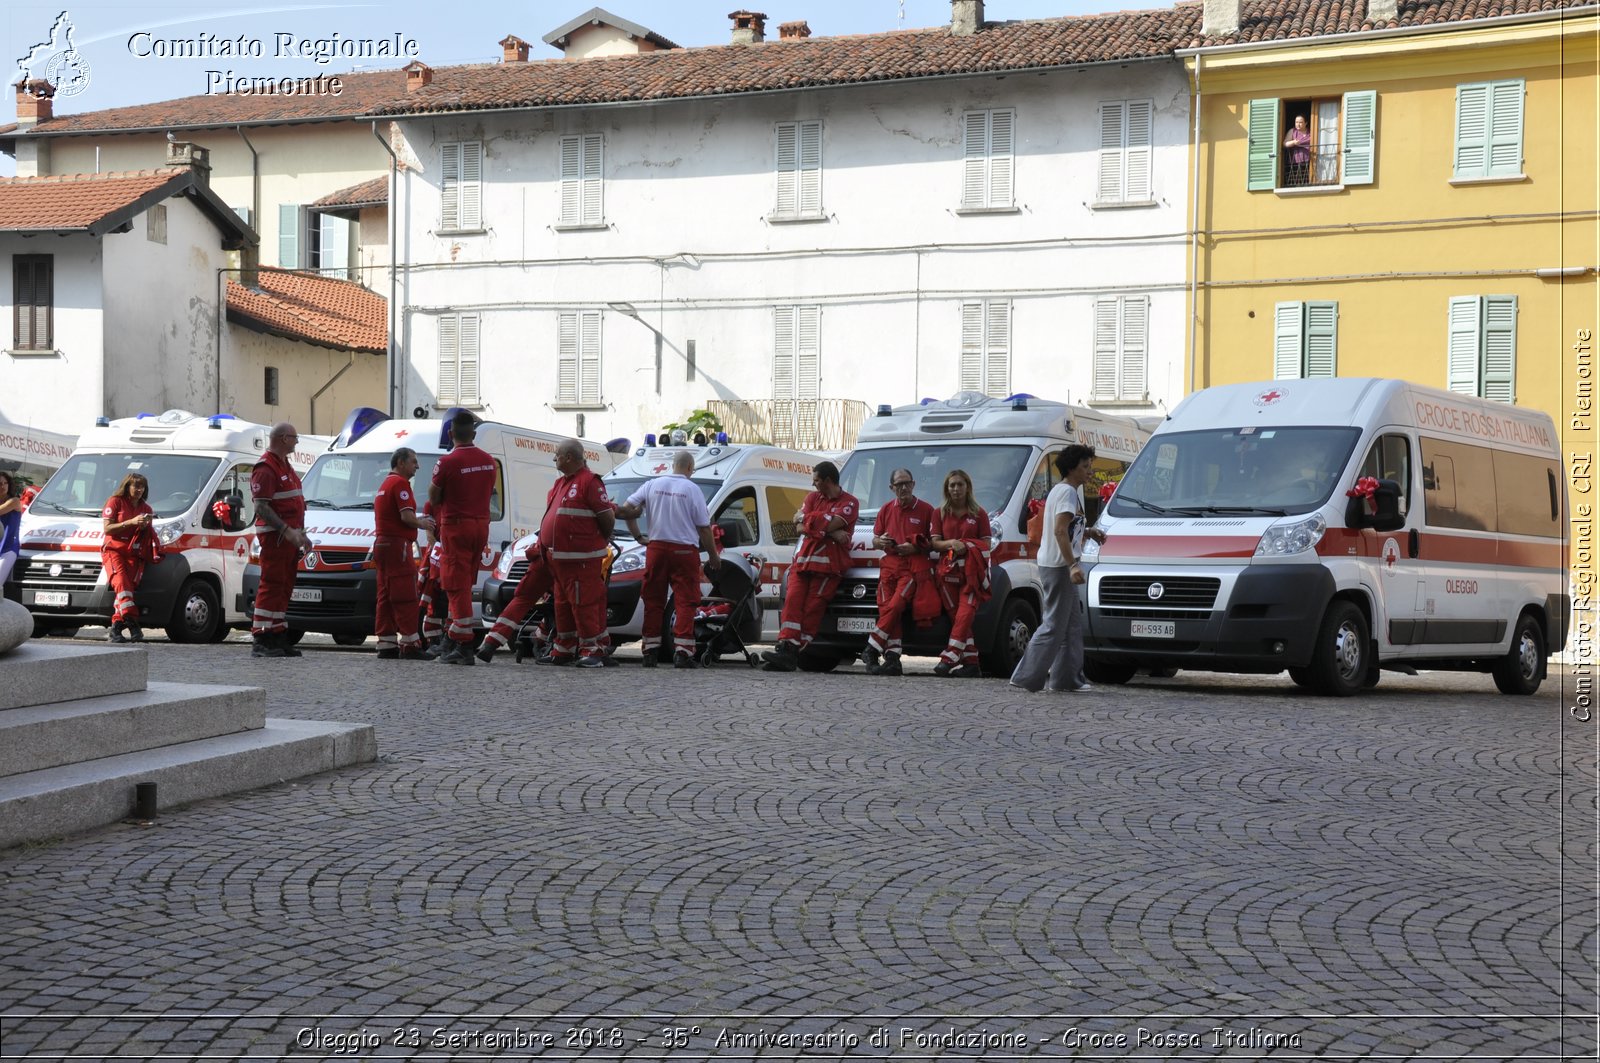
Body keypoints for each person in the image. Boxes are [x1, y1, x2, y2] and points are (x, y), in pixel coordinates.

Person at [1009, 445, 1105, 693]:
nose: (1089, 471)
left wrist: (1090, 532)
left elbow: (1066, 527)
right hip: (1060, 566)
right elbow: (1060, 530)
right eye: (1085, 466)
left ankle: (1066, 680)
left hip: (1057, 564)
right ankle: (1025, 676)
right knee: (1053, 625)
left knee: (1070, 626)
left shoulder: (1064, 491)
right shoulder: (1067, 493)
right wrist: (1072, 564)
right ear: (1072, 468)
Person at [613, 450, 721, 669]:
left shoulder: (652, 484)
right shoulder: (692, 489)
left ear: (674, 465)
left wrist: (638, 536)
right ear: (690, 468)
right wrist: (712, 555)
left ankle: (650, 651)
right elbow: (703, 528)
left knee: (653, 600)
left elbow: (627, 510)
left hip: (657, 549)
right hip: (684, 551)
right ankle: (683, 652)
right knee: (685, 601)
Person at [761, 461, 858, 672]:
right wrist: (826, 530)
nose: (813, 484)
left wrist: (808, 519)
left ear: (828, 481)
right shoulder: (812, 498)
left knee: (812, 609)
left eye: (816, 480)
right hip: (803, 562)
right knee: (792, 602)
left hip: (829, 568)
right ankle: (785, 646)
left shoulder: (850, 502)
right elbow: (798, 527)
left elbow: (824, 523)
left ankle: (793, 652)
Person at [538, 438, 617, 668]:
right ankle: (564, 648)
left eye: (558, 455)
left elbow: (607, 518)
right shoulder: (562, 482)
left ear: (569, 458)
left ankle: (592, 650)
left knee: (585, 604)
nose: (555, 458)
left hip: (581, 561)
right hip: (560, 561)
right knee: (562, 605)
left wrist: (596, 542)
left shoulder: (589, 482)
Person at [428, 412, 497, 665]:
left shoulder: (446, 462)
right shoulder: (489, 461)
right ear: (474, 434)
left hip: (456, 526)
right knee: (466, 583)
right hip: (481, 526)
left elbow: (434, 497)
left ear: (450, 434)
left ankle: (464, 644)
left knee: (455, 585)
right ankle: (454, 637)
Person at [859, 468, 937, 676]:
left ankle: (871, 647)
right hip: (888, 567)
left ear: (913, 484)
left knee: (895, 606)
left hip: (911, 569)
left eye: (907, 483)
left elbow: (934, 543)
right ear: (891, 488)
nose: (903, 488)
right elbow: (875, 539)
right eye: (899, 484)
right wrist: (880, 541)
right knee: (887, 611)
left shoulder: (927, 510)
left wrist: (916, 548)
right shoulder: (885, 509)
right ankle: (892, 658)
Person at [250, 422, 311, 658]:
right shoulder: (266, 468)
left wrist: (301, 535)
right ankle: (262, 637)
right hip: (276, 537)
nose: (297, 442)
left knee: (284, 586)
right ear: (284, 438)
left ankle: (276, 634)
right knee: (272, 584)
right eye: (295, 438)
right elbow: (261, 507)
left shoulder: (285, 466)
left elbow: (295, 504)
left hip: (289, 537)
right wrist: (287, 531)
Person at [373, 447, 436, 661]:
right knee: (405, 594)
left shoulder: (384, 484)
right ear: (401, 463)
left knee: (385, 595)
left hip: (382, 544)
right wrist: (423, 523)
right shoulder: (400, 484)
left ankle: (386, 644)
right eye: (414, 462)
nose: (417, 466)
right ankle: (410, 644)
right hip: (397, 545)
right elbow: (406, 517)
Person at [930, 469, 992, 678]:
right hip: (946, 574)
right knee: (959, 618)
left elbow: (987, 545)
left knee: (965, 613)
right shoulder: (939, 513)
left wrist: (966, 545)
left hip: (972, 574)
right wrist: (951, 544)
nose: (956, 489)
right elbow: (934, 543)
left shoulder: (979, 513)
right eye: (952, 485)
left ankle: (950, 656)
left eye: (960, 485)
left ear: (968, 487)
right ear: (947, 489)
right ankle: (972, 662)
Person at [100, 473, 158, 643]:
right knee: (122, 584)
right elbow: (107, 529)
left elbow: (146, 535)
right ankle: (132, 622)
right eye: (136, 486)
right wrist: (131, 522)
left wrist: (144, 526)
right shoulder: (115, 501)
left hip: (133, 553)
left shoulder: (146, 509)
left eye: (142, 487)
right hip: (114, 551)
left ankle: (117, 627)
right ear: (127, 486)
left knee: (127, 590)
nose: (139, 490)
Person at [0, 472, 21, 590]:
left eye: (5, 483)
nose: (3, 486)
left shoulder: (14, 501)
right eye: (0, 484)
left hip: (8, 548)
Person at [1283, 114, 1311, 186]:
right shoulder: (1292, 131)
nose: (1298, 124)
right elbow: (1285, 144)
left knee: (1307, 180)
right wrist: (1293, 142)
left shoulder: (1311, 132)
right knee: (1296, 181)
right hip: (1295, 161)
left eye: (1300, 122)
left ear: (1306, 123)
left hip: (1309, 161)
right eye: (1296, 122)